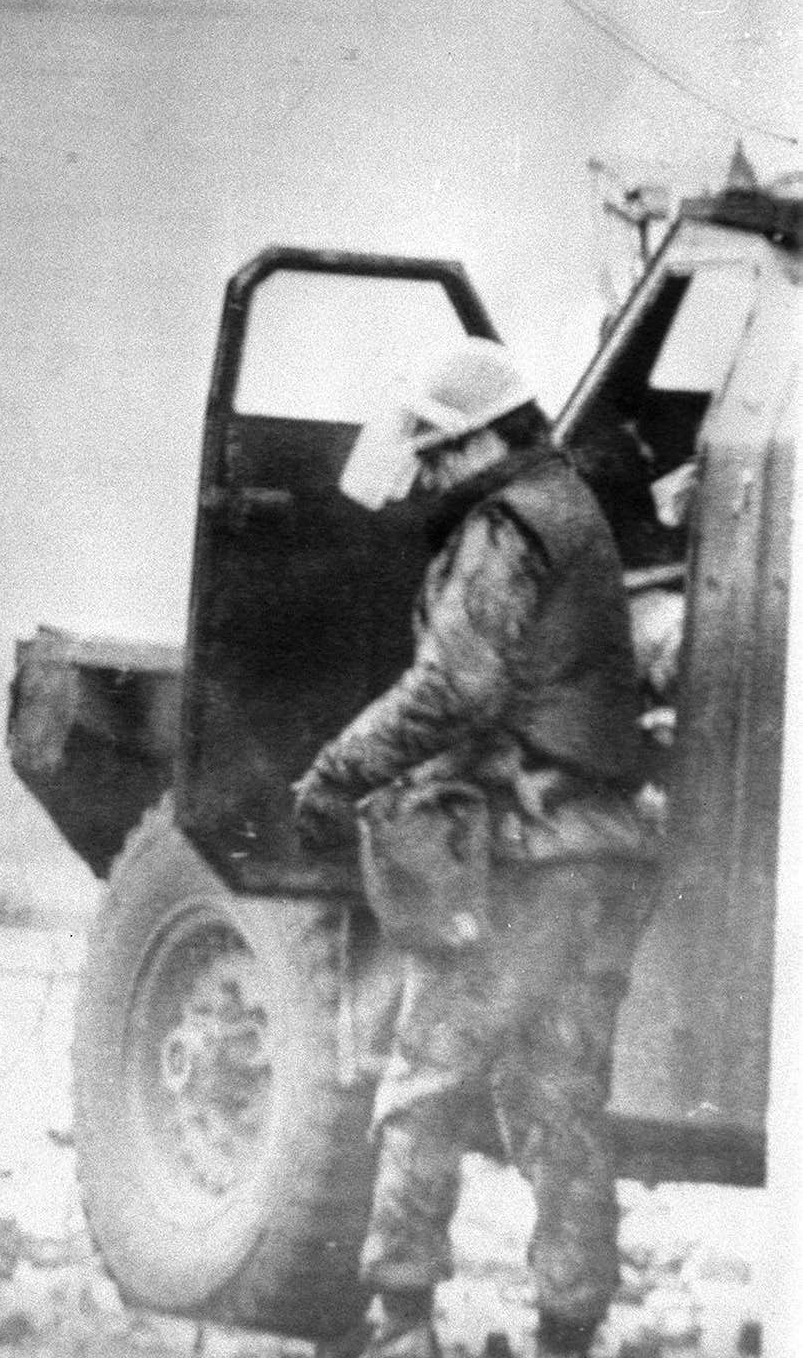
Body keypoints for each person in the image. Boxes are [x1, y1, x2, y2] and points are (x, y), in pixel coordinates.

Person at [291, 333, 657, 1358]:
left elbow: (457, 686)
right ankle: (567, 1330)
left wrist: (337, 769)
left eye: (443, 451)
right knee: (563, 1100)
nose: (435, 472)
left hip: (524, 858)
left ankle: (401, 1321)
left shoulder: (507, 526)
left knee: (425, 1082)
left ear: (490, 438)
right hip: (603, 852)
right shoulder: (571, 507)